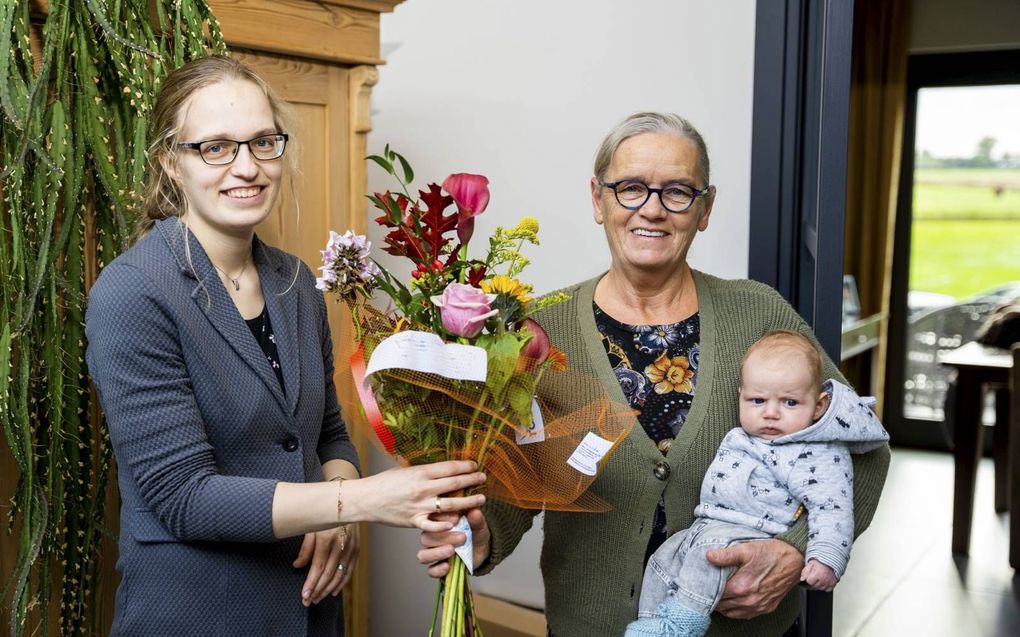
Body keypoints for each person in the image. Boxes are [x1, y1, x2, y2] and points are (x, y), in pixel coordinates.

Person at [417, 112, 891, 636]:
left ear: (705, 208)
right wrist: (481, 538)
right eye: (631, 188)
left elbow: (862, 446)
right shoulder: (538, 331)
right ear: (598, 199)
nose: (652, 209)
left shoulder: (758, 314)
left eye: (677, 192)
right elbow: (524, 477)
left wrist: (792, 553)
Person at [84, 55, 486, 637]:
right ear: (172, 163)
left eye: (262, 142)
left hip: (310, 607)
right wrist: (357, 504)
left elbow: (327, 435)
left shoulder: (295, 283)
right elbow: (183, 496)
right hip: (197, 614)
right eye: (216, 147)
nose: (247, 167)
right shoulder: (133, 292)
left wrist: (338, 505)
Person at [625, 330, 890, 637]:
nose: (771, 413)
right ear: (741, 395)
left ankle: (680, 626)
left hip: (753, 535)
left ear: (819, 406)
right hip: (709, 525)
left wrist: (825, 558)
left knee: (709, 555)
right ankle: (649, 625)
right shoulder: (744, 436)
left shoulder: (817, 452)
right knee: (665, 556)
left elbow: (833, 506)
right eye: (757, 400)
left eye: (790, 402)